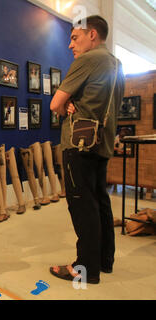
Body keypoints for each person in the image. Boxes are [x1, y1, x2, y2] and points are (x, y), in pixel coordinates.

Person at [49, 15, 125, 284]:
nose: (71, 45)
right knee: (100, 203)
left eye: (74, 37)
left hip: (79, 144)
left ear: (92, 34)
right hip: (101, 145)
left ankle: (85, 268)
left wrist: (66, 104)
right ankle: (104, 261)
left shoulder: (87, 60)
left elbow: (55, 105)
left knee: (82, 206)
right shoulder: (116, 64)